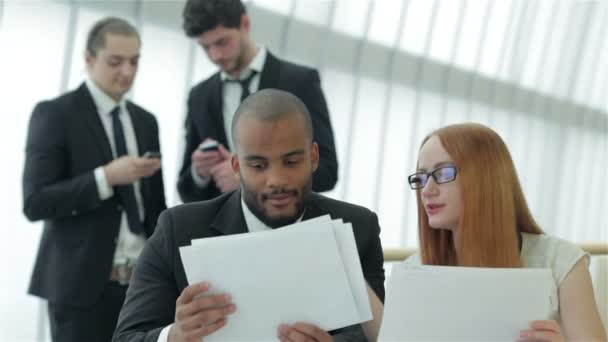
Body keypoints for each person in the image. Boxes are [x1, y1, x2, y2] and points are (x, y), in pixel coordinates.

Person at [113, 89, 384, 342]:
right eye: (258, 165)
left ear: (314, 158)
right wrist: (174, 336)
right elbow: (127, 337)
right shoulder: (178, 230)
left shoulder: (358, 228)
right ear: (236, 166)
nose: (276, 180)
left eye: (291, 162)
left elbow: (378, 337)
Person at [22, 17, 167, 341]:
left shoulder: (146, 122)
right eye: (115, 61)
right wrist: (105, 178)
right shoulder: (54, 114)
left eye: (135, 61)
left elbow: (155, 207)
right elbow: (35, 202)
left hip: (141, 287)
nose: (127, 72)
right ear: (89, 58)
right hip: (79, 291)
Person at [403, 123, 606, 341]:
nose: (427, 190)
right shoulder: (414, 269)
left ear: (486, 177)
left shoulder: (560, 261)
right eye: (421, 177)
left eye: (443, 173)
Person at [177, 0, 338, 203]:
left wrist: (248, 179)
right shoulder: (199, 96)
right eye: (205, 47)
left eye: (222, 42)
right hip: (223, 230)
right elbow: (186, 191)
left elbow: (327, 170)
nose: (215, 55)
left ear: (245, 24)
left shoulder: (300, 82)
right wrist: (198, 173)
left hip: (288, 227)